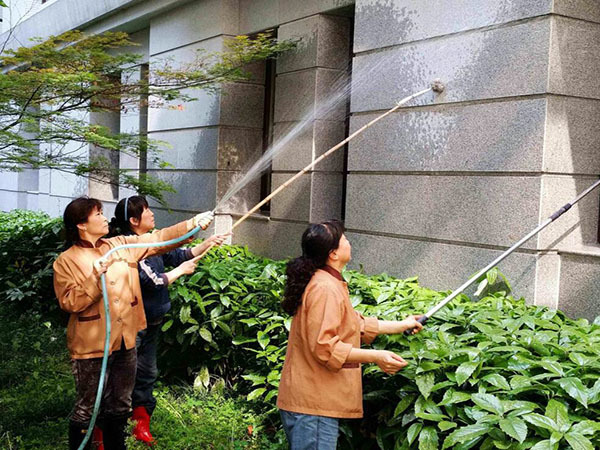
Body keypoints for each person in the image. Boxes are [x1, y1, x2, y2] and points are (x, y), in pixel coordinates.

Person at [53, 196, 213, 450]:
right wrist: (96, 276)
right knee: (88, 406)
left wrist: (193, 223)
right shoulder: (66, 261)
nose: (105, 218)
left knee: (120, 405)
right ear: (81, 225)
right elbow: (70, 302)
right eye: (98, 215)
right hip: (92, 347)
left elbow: (158, 240)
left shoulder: (120, 245)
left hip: (125, 341)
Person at [277, 220, 424, 450]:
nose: (349, 242)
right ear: (333, 253)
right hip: (313, 406)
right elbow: (326, 347)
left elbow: (355, 324)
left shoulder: (327, 282)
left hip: (311, 403)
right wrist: (377, 357)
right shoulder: (325, 288)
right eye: (344, 239)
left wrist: (402, 324)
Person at [107, 195, 230, 444]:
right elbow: (152, 281)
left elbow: (178, 255)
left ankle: (140, 423)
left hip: (152, 322)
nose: (152, 213)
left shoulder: (151, 245)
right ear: (133, 220)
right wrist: (180, 272)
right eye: (146, 211)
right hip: (134, 325)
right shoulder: (130, 248)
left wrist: (206, 245)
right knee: (124, 376)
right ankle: (108, 428)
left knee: (147, 374)